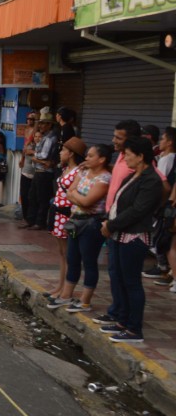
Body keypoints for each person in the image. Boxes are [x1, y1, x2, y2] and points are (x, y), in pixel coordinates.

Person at [97, 137, 164, 344]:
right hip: (118, 234)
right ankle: (122, 320)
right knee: (118, 278)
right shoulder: (132, 177)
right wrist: (109, 222)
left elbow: (138, 210)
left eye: (128, 155)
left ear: (141, 156)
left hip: (134, 237)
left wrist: (111, 225)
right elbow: (118, 203)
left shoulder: (151, 180)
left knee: (131, 282)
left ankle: (134, 329)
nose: (124, 159)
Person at [56, 143, 113, 313]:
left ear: (102, 159)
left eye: (90, 156)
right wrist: (80, 198)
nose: (86, 158)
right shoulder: (83, 172)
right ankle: (66, 295)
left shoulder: (105, 179)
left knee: (89, 261)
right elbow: (69, 193)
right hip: (76, 220)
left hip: (91, 224)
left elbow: (88, 201)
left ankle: (85, 300)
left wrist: (77, 197)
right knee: (72, 258)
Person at [45, 137, 86, 308]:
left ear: (71, 153)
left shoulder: (78, 172)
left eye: (63, 150)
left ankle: (66, 289)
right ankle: (60, 286)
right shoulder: (65, 169)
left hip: (67, 215)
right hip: (58, 213)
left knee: (68, 254)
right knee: (62, 253)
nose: (60, 153)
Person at [146, 126, 176, 287]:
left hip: (164, 205)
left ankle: (164, 268)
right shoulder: (167, 157)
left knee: (161, 238)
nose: (160, 142)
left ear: (170, 142)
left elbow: (161, 182)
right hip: (166, 204)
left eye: (163, 139)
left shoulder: (166, 159)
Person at [22, 112, 58, 230]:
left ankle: (39, 222)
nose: (40, 126)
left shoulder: (50, 138)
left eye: (43, 124)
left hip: (44, 172)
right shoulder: (45, 137)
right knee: (32, 196)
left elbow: (44, 155)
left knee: (42, 198)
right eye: (40, 123)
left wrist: (34, 155)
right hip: (39, 170)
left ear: (49, 125)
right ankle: (31, 220)